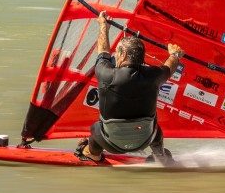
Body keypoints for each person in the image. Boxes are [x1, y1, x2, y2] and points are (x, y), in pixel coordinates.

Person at [78, 11, 183, 164]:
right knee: (156, 129)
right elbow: (169, 67)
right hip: (145, 141)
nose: (115, 54)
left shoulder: (106, 74)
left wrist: (103, 26)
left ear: (123, 53)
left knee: (95, 129)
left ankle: (93, 154)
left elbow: (103, 52)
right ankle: (160, 155)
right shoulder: (153, 75)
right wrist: (175, 54)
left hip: (111, 145)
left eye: (117, 51)